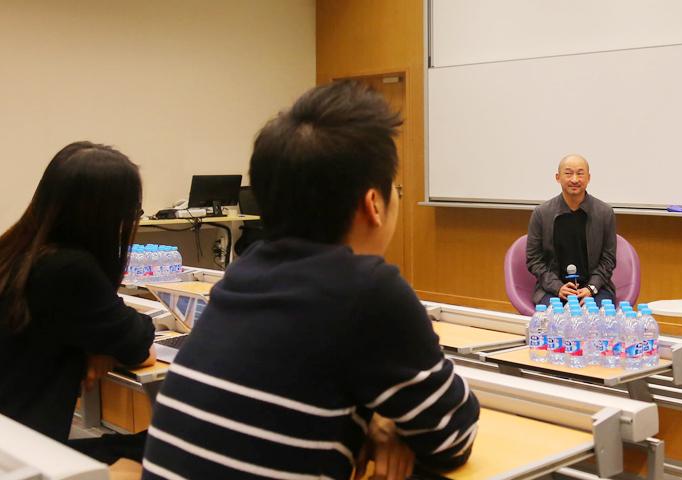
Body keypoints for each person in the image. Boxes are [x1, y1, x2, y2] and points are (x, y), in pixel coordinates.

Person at [142, 81, 480, 480]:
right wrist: (389, 423)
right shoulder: (367, 290)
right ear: (374, 204)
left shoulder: (245, 271)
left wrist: (380, 419)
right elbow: (451, 436)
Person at [0, 141, 156, 443]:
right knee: (162, 445)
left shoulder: (15, 253)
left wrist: (95, 345)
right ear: (106, 216)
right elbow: (140, 348)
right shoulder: (69, 269)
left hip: (11, 441)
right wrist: (103, 345)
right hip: (29, 452)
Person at [527, 154, 618, 306]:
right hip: (553, 289)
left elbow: (608, 260)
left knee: (596, 319)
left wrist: (591, 287)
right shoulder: (541, 213)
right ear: (558, 177)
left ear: (588, 178)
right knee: (557, 320)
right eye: (568, 173)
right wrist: (557, 287)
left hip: (595, 288)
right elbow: (534, 259)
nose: (575, 179)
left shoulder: (604, 213)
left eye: (580, 174)